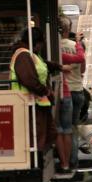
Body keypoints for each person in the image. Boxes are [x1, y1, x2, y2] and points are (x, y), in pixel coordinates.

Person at [10, 28, 59, 157]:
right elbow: (29, 79)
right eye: (40, 43)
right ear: (36, 42)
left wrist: (58, 67)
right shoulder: (23, 55)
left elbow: (42, 65)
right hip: (28, 104)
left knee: (45, 134)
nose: (41, 46)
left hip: (38, 103)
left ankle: (39, 158)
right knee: (36, 136)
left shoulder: (31, 54)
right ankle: (34, 160)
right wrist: (46, 91)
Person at [57, 25, 86, 172]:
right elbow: (82, 69)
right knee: (72, 128)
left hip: (63, 91)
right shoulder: (76, 46)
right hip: (76, 89)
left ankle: (65, 162)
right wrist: (79, 43)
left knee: (61, 129)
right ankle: (73, 161)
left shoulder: (55, 47)